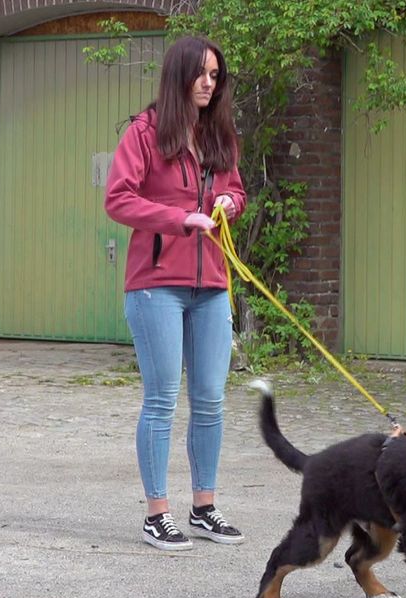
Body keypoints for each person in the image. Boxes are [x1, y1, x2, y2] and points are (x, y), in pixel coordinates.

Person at [105, 36, 248, 551]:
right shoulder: (145, 133)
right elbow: (118, 198)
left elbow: (237, 189)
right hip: (154, 286)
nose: (209, 82)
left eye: (216, 74)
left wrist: (230, 202)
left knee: (209, 399)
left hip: (210, 285)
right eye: (201, 73)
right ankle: (156, 514)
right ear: (179, 76)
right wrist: (177, 219)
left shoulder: (218, 136)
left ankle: (204, 508)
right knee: (162, 398)